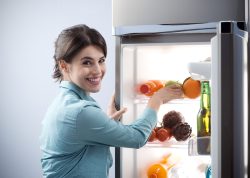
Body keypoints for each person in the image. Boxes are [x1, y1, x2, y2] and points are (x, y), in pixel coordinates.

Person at [39, 24, 183, 178]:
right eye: (87, 62)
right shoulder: (80, 112)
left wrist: (106, 123)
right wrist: (157, 99)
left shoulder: (65, 104)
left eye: (101, 60)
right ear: (64, 65)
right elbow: (137, 138)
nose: (97, 70)